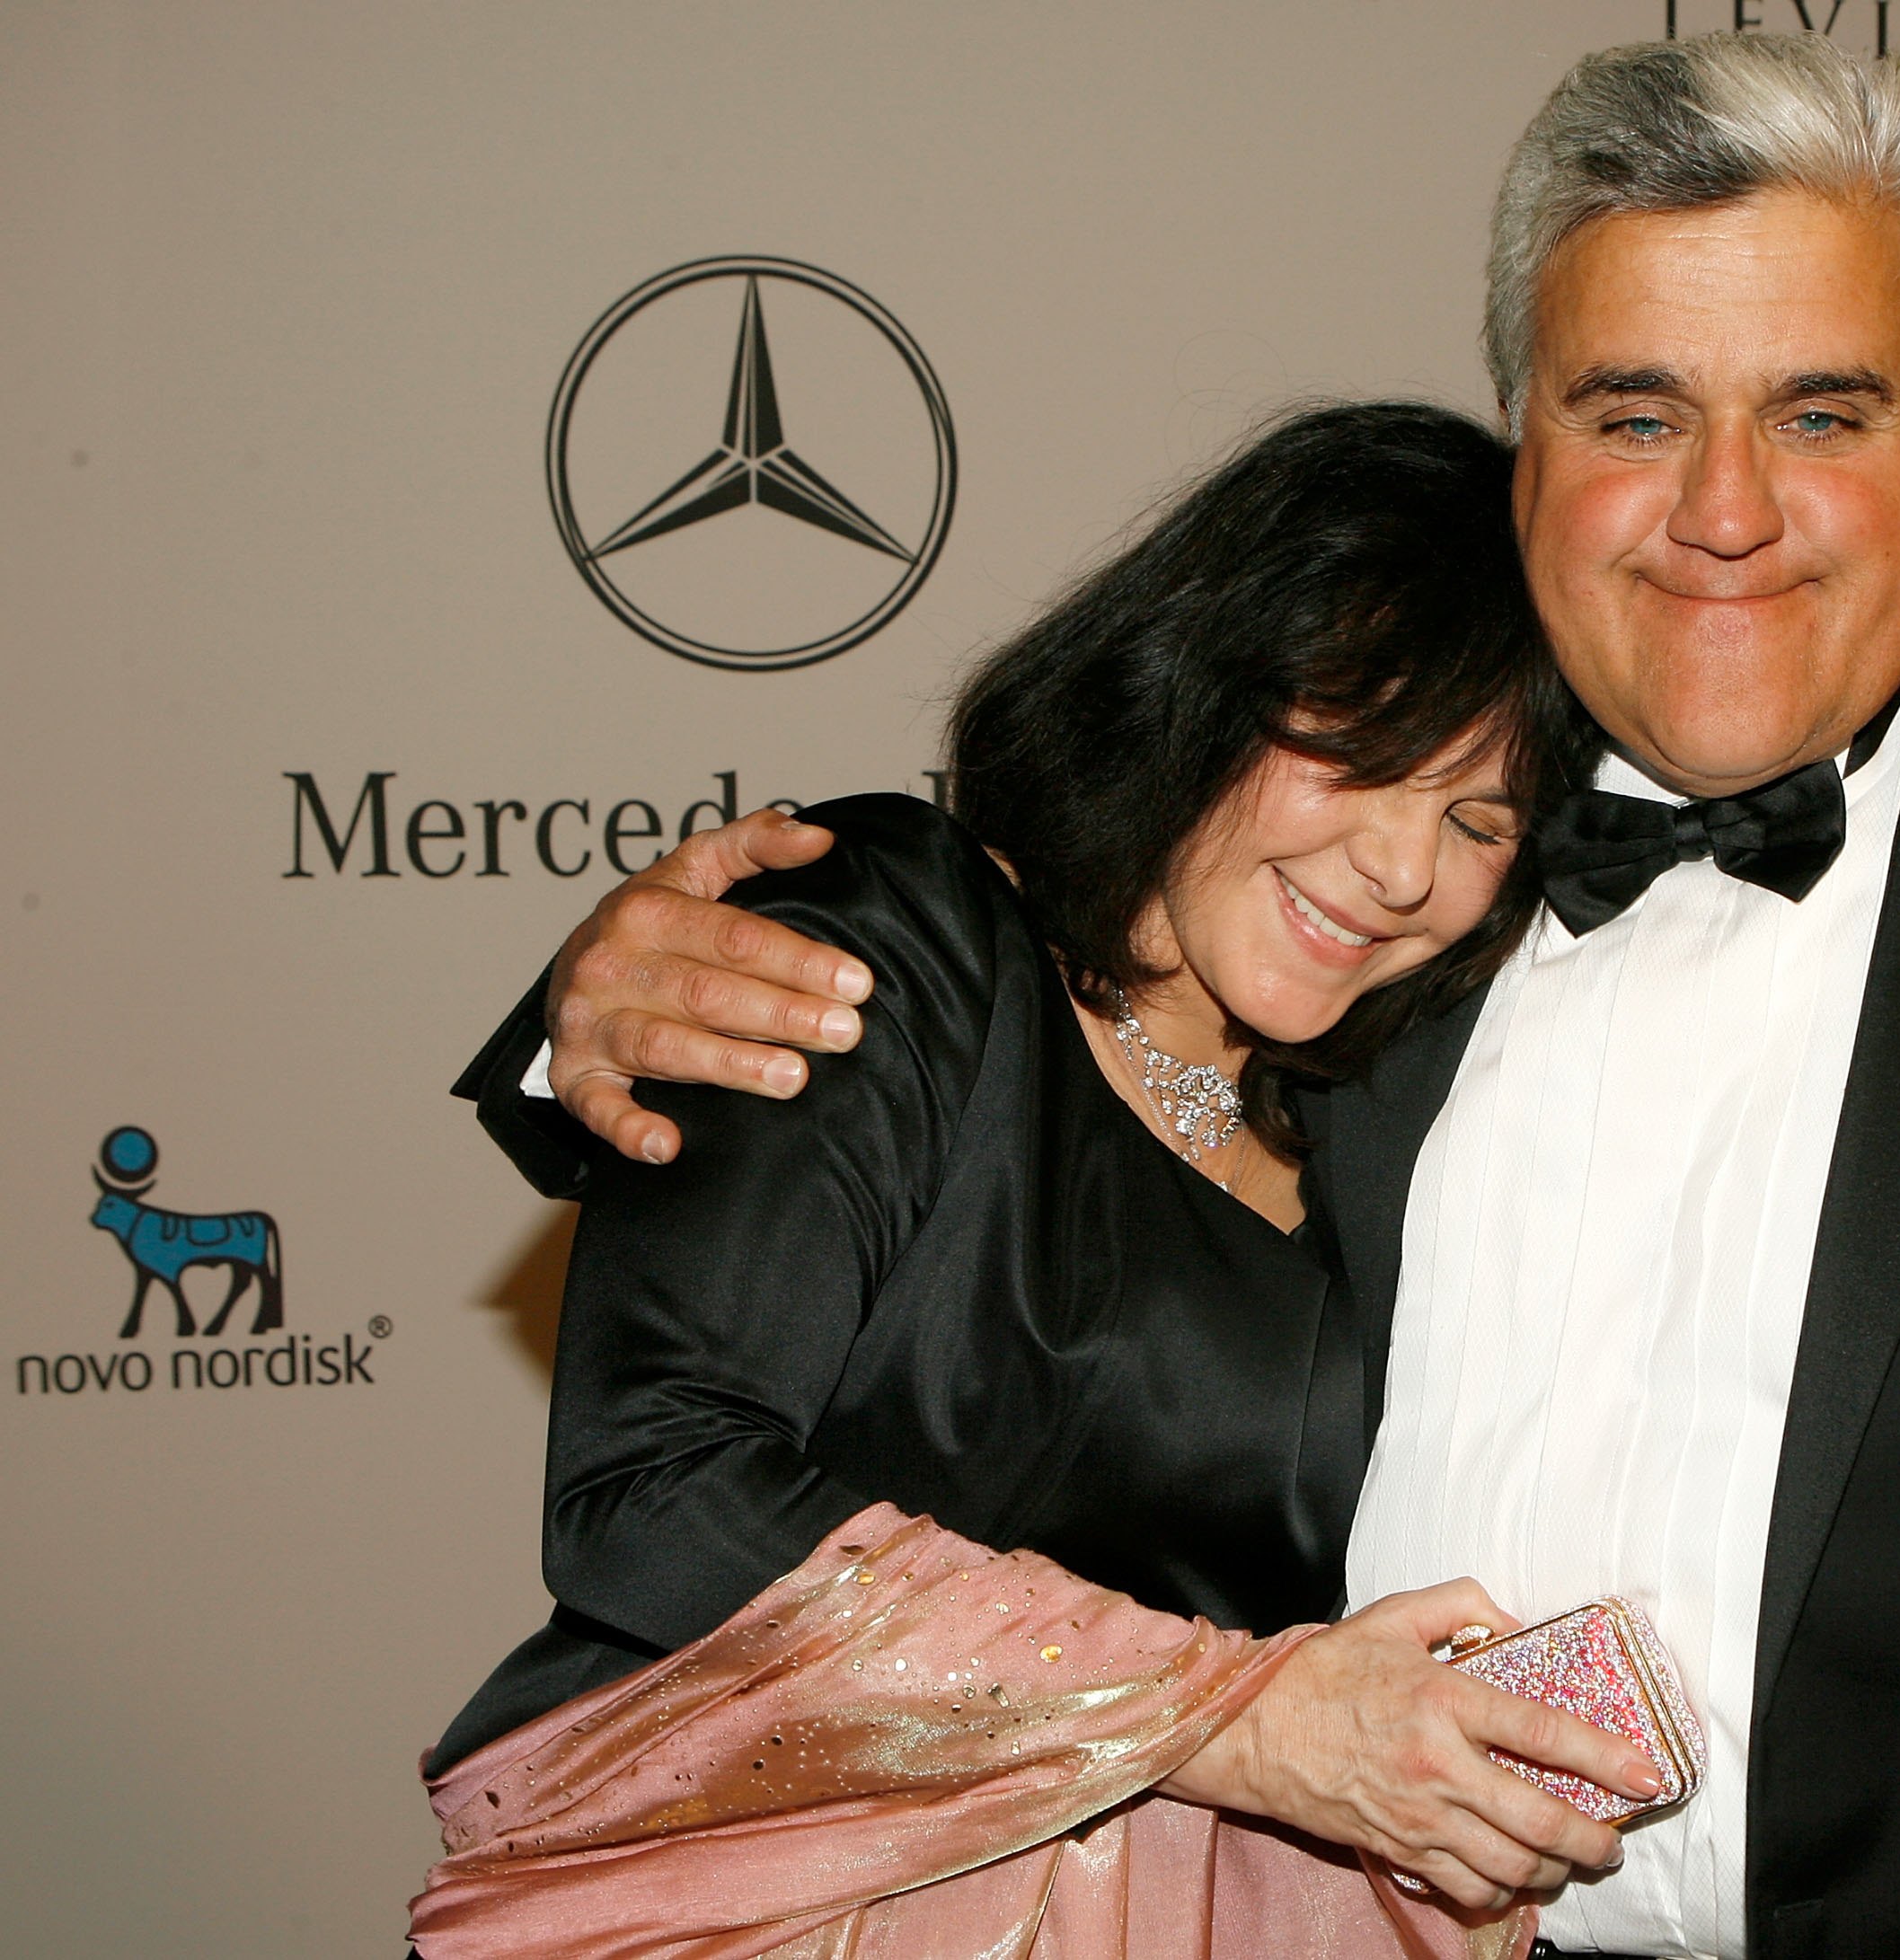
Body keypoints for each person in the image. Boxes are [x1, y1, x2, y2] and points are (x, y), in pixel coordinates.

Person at [469, 33, 1900, 1960]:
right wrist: (605, 1017)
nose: (1724, 510)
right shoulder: (1400, 875)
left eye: (1819, 411)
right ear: (1524, 453)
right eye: (1634, 411)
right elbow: (1019, 1131)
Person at [416, 402, 1676, 1957]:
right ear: (1203, 681)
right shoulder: (910, 932)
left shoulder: (1399, 1118)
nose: (1404, 868)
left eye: (1477, 817)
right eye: (1361, 756)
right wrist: (1241, 1720)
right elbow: (652, 1491)